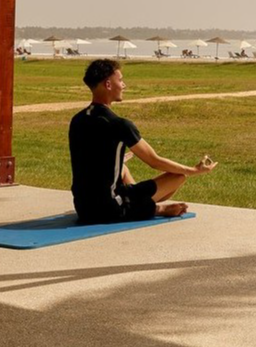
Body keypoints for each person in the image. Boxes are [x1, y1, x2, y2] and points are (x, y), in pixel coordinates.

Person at [69, 59, 217, 224]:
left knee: (123, 169)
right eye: (121, 80)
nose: (124, 85)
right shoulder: (119, 124)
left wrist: (117, 160)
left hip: (83, 207)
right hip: (109, 209)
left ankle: (139, 201)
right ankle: (153, 208)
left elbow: (85, 157)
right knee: (179, 176)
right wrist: (194, 170)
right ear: (108, 85)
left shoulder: (78, 120)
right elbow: (154, 161)